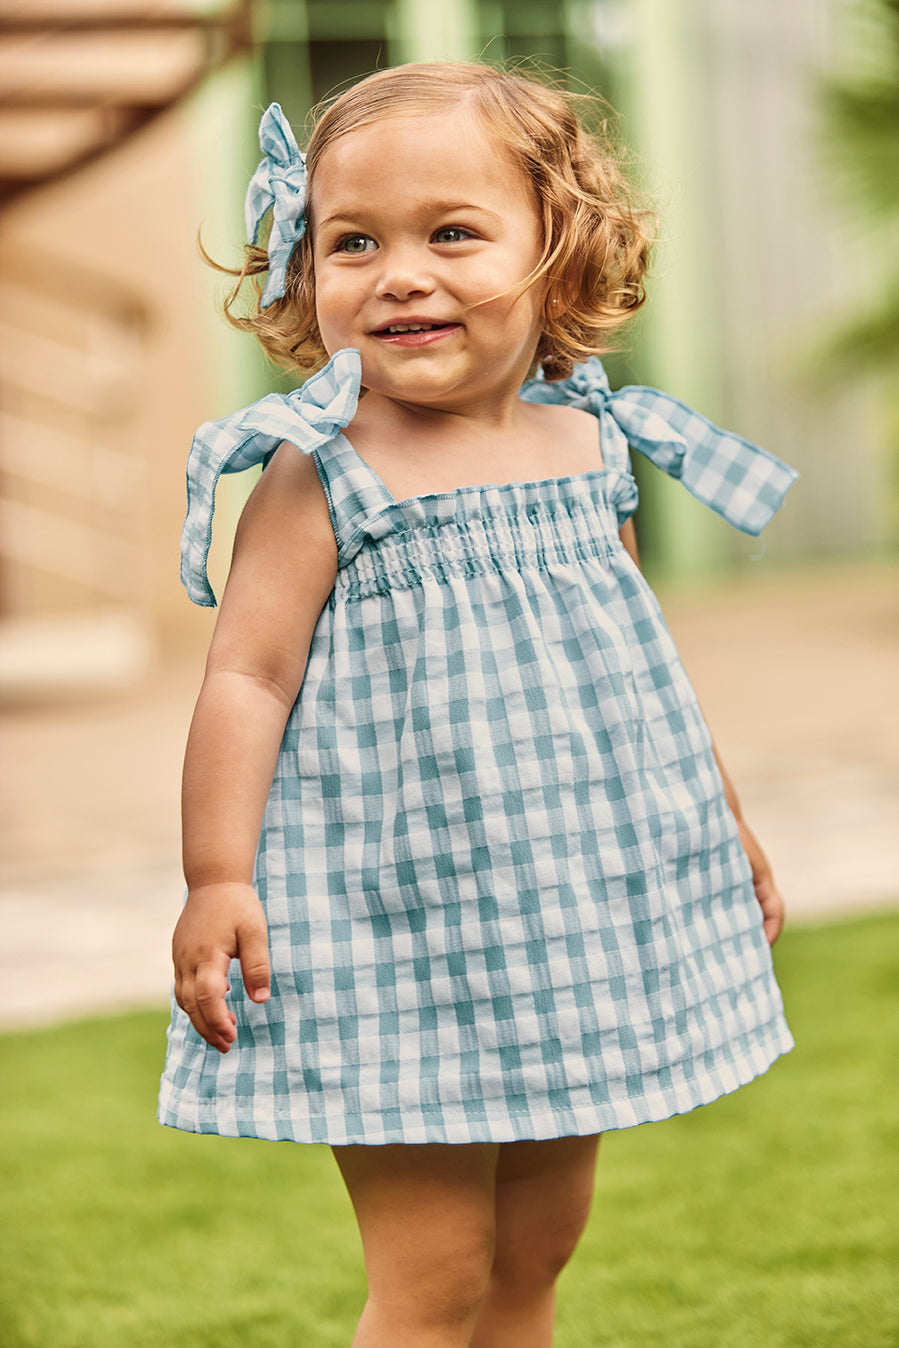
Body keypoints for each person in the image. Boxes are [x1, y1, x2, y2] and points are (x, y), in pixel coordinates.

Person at [159, 63, 796, 1347]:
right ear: (304, 274)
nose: (398, 272)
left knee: (536, 1250)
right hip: (400, 921)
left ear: (558, 257)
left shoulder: (586, 443)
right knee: (435, 1273)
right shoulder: (319, 470)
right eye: (353, 242)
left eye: (450, 232)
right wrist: (214, 874)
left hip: (567, 913)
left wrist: (720, 820)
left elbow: (637, 657)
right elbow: (247, 675)